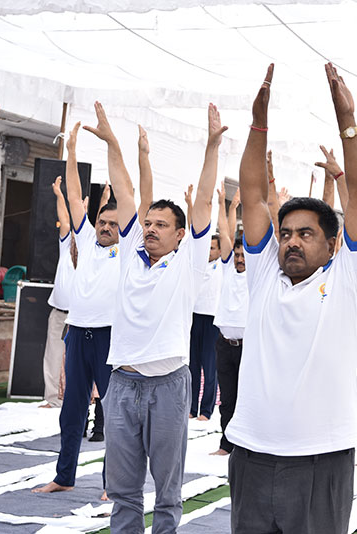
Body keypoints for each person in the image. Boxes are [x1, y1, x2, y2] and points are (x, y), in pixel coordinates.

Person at [225, 63, 357, 533]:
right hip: (250, 453)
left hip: (319, 460)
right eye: (286, 233)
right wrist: (258, 124)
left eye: (306, 234)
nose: (292, 241)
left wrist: (347, 122)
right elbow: (251, 194)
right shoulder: (265, 274)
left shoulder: (349, 280)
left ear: (331, 244)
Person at [88, 100, 223, 532]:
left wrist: (212, 146)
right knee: (123, 489)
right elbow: (124, 190)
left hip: (168, 386)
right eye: (147, 223)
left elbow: (203, 199)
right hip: (122, 384)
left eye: (161, 224)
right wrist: (112, 142)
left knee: (167, 491)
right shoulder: (129, 252)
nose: (149, 228)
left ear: (180, 234)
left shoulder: (190, 262)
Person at [33, 122, 119, 495]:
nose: (104, 226)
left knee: (114, 416)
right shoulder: (84, 241)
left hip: (110, 337)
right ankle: (64, 477)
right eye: (101, 221)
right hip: (77, 332)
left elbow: (127, 203)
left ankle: (111, 484)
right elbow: (73, 193)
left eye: (113, 223)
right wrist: (71, 151)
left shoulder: (129, 250)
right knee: (71, 412)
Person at [211, 183, 246, 456]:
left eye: (244, 255)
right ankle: (226, 443)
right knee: (228, 397)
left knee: (247, 398)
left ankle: (246, 443)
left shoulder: (255, 274)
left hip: (249, 346)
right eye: (236, 254)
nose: (239, 259)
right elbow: (225, 233)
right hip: (224, 343)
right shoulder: (227, 270)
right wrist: (227, 206)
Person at [40, 176, 74, 409]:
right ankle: (51, 399)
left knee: (76, 360)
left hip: (80, 316)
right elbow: (65, 220)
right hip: (59, 311)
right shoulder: (66, 244)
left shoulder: (94, 251)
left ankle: (77, 397)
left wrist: (103, 201)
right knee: (52, 355)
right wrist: (59, 195)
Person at [189, 230, 222, 421]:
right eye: (207, 248)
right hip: (194, 317)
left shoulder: (222, 266)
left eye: (212, 248)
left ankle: (206, 410)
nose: (209, 252)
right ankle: (192, 408)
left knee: (210, 367)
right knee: (193, 365)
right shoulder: (197, 265)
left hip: (212, 318)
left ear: (219, 251)